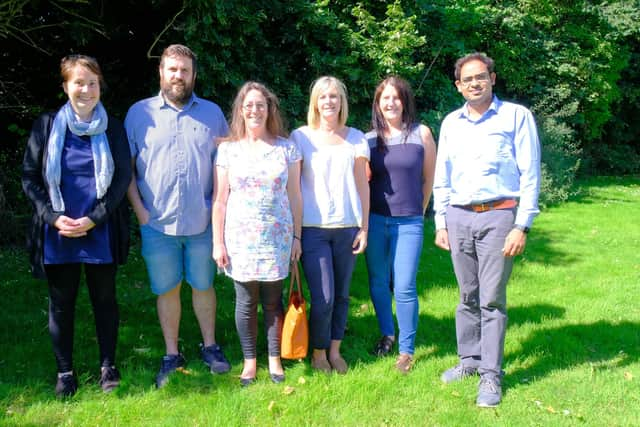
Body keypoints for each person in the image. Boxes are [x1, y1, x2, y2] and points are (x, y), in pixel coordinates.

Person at [433, 52, 541, 407]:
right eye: (467, 80)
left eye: (481, 77)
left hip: (500, 216)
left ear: (493, 78)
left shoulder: (516, 117)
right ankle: (469, 361)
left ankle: (491, 377)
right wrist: (440, 221)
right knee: (467, 296)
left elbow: (530, 175)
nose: (474, 83)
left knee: (491, 299)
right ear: (458, 86)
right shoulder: (451, 123)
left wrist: (522, 225)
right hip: (458, 216)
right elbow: (442, 176)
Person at [22, 54, 131, 397]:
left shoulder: (112, 126)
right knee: (61, 303)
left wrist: (94, 218)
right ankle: (65, 371)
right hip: (59, 231)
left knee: (104, 299)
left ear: (100, 86)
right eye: (79, 83)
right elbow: (29, 177)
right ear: (66, 86)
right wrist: (54, 218)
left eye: (93, 83)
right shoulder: (47, 124)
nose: (86, 89)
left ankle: (107, 366)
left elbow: (122, 178)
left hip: (99, 228)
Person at [125, 44, 231, 388]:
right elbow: (125, 169)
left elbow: (228, 165)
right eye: (172, 69)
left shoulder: (213, 114)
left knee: (204, 286)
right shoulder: (139, 114)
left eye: (184, 70)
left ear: (193, 74)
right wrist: (140, 211)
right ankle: (172, 354)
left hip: (202, 223)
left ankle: (211, 346)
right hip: (157, 223)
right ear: (161, 72)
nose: (178, 76)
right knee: (167, 289)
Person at [212, 82, 302, 387]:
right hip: (239, 239)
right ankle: (250, 361)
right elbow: (220, 199)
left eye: (260, 104)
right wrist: (217, 242)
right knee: (246, 302)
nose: (254, 110)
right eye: (248, 105)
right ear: (240, 110)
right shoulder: (228, 150)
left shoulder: (287, 148)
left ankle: (275, 358)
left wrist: (297, 239)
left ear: (269, 109)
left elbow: (296, 197)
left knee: (273, 302)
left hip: (277, 237)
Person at [290, 76, 369, 374]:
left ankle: (335, 350)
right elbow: (294, 190)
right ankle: (318, 352)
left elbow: (363, 187)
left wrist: (364, 229)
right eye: (323, 97)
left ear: (341, 102)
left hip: (347, 227)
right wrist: (295, 234)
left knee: (342, 295)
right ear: (315, 102)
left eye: (334, 96)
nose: (329, 102)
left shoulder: (357, 138)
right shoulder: (300, 137)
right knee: (323, 297)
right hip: (313, 230)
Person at [364, 76, 436, 373]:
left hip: (409, 222)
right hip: (376, 220)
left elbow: (430, 177)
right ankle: (387, 334)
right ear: (378, 105)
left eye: (396, 97)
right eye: (385, 99)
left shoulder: (422, 134)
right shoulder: (368, 139)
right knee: (379, 282)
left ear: (404, 101)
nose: (390, 103)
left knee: (404, 285)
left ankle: (406, 351)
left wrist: (420, 209)